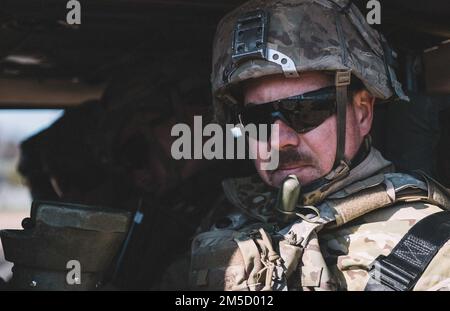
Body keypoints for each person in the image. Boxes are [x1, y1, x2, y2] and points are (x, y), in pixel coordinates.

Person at [179, 0, 450, 291]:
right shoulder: (227, 220)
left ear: (362, 113)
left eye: (305, 110)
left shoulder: (431, 249)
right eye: (257, 118)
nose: (279, 140)